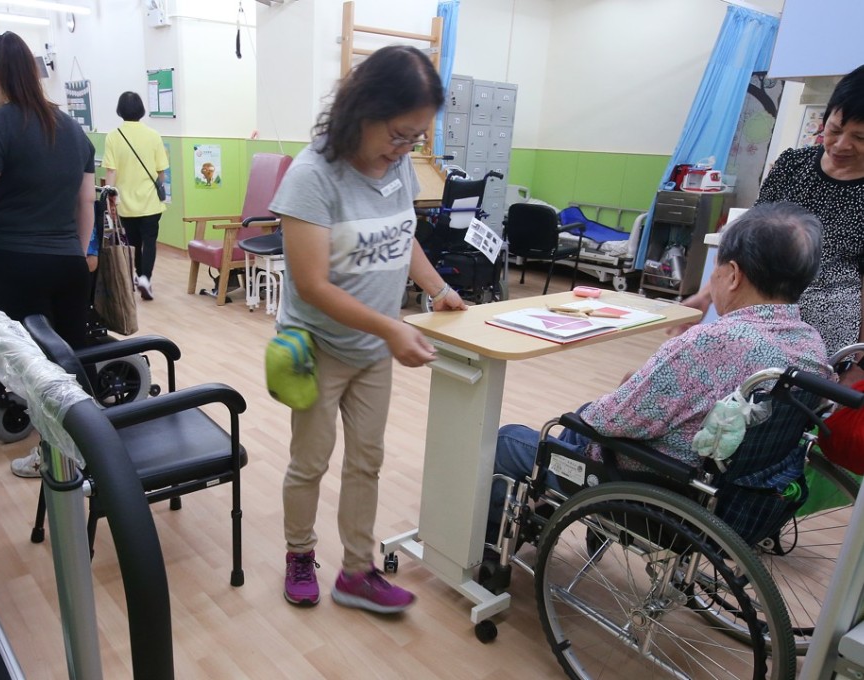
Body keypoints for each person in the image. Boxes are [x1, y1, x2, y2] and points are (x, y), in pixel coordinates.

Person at [487, 202, 833, 543]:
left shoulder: (711, 342)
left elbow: (607, 421)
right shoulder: (811, 346)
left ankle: (487, 552)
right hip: (737, 495)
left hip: (659, 485)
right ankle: (550, 505)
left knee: (511, 439)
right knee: (584, 418)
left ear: (732, 275)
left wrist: (629, 390)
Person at [271, 45, 467, 613]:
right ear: (363, 109)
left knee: (367, 460)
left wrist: (437, 289)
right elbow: (313, 285)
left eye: (415, 139)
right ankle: (299, 555)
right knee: (310, 460)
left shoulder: (397, 163)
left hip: (373, 350)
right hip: (316, 347)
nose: (404, 150)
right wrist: (391, 328)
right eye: (399, 135)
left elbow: (401, 237)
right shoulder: (312, 176)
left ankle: (356, 571)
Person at [0, 32, 95, 478]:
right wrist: (78, 250)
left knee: (35, 369)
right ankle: (93, 457)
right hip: (69, 263)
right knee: (73, 362)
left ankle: (56, 457)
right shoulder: (72, 128)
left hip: (19, 264)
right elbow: (85, 202)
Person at [681, 65, 864, 382]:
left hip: (827, 329)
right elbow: (751, 240)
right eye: (834, 129)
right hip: (758, 317)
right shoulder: (794, 165)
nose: (840, 144)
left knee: (794, 415)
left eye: (860, 137)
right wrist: (707, 294)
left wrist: (860, 362)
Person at [101, 91, 168, 301]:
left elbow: (111, 171)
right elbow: (161, 173)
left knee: (133, 243)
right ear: (141, 110)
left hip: (126, 203)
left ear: (120, 110)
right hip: (150, 203)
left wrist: (109, 196)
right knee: (150, 241)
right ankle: (146, 278)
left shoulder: (113, 136)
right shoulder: (153, 135)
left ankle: (139, 275)